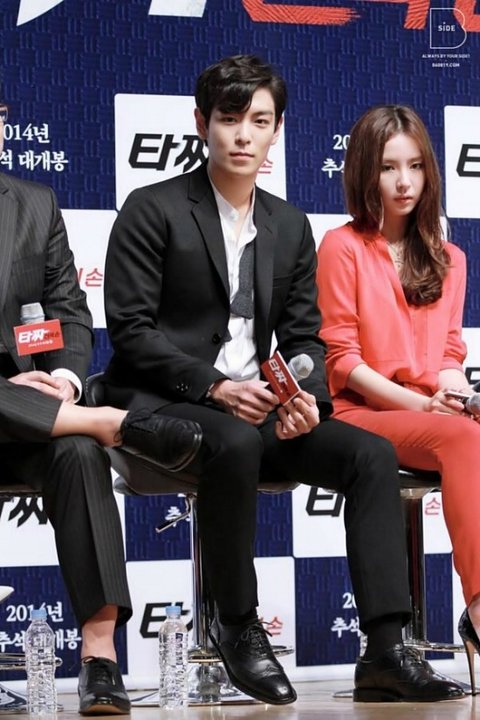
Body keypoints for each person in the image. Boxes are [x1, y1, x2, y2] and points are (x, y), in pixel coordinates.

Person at [102, 58, 464, 704]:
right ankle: (237, 623)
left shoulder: (289, 225)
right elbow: (130, 331)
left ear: (277, 131)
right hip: (163, 404)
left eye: (260, 121)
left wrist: (306, 400)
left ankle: (385, 649)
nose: (244, 135)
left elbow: (303, 338)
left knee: (369, 454)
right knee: (236, 441)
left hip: (258, 408)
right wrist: (214, 387)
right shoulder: (152, 208)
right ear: (201, 124)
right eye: (230, 119)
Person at [0, 102, 201, 715]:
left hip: (27, 417)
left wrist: (62, 378)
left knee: (80, 455)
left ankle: (100, 658)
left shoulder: (33, 204)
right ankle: (109, 422)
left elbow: (66, 309)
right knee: (92, 434)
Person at [316, 104, 480, 693]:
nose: (405, 181)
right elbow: (343, 361)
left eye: (415, 166)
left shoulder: (449, 257)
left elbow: (448, 354)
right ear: (365, 171)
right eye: (389, 167)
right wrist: (422, 407)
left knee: (466, 428)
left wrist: (458, 393)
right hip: (362, 412)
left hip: (431, 415)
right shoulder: (341, 247)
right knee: (461, 436)